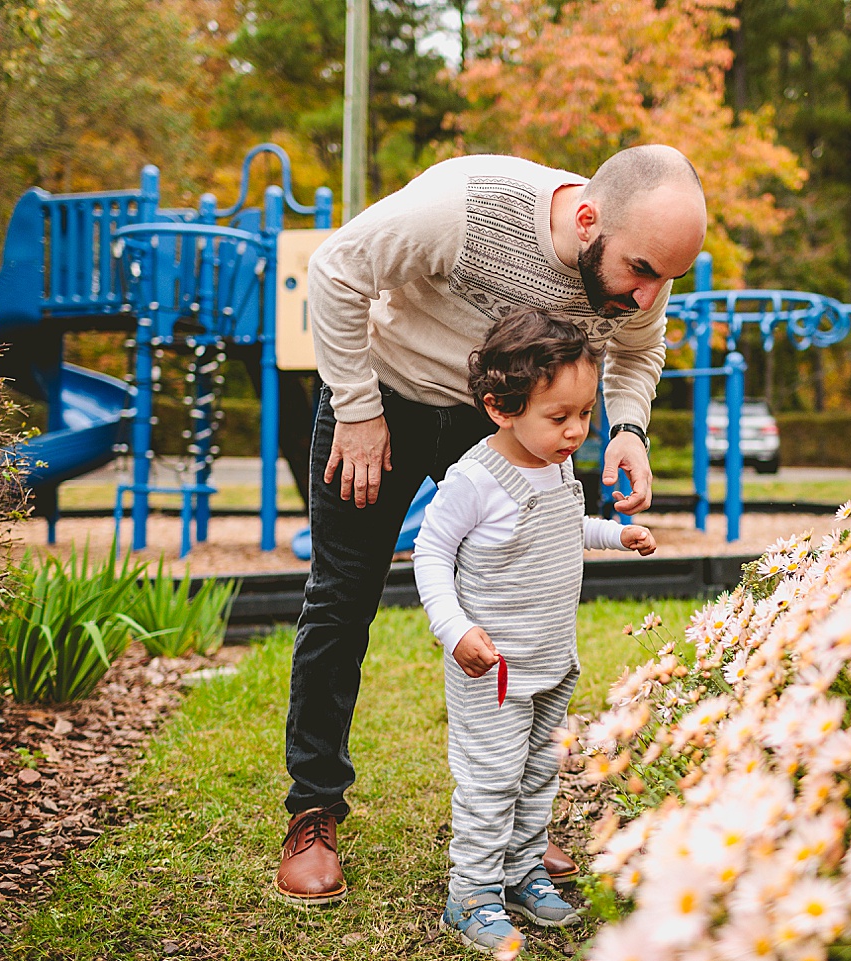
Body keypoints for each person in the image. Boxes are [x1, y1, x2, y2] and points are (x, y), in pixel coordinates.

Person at [275, 145, 706, 908]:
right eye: (640, 272)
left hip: (511, 430)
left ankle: (514, 824)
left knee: (525, 602)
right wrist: (357, 407)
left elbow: (639, 351)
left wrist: (630, 428)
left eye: (665, 280)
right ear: (586, 220)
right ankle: (314, 809)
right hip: (388, 399)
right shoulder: (463, 206)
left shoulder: (640, 275)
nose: (647, 297)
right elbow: (336, 269)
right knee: (342, 598)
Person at [415, 311, 656, 952]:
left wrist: (614, 533)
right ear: (501, 408)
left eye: (584, 415)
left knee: (536, 774)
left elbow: (562, 529)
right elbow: (430, 554)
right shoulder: (475, 478)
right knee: (491, 779)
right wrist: (454, 627)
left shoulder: (553, 463)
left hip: (552, 658)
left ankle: (522, 873)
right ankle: (471, 891)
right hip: (491, 668)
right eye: (560, 417)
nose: (577, 431)